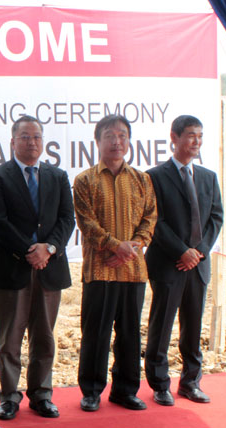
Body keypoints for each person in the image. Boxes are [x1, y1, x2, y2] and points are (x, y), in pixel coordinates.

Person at [0, 116, 75, 420]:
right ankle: (9, 396)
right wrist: (28, 250)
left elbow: (66, 220)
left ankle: (41, 395)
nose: (31, 142)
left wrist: (48, 249)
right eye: (24, 137)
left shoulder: (57, 176)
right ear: (13, 142)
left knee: (44, 336)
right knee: (10, 338)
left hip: (49, 267)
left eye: (36, 137)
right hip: (11, 268)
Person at [73, 114, 157, 412]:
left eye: (122, 135)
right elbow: (87, 223)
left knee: (130, 334)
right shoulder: (85, 180)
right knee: (96, 332)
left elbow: (149, 220)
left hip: (133, 272)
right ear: (97, 141)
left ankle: (125, 390)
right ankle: (92, 390)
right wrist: (115, 246)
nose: (116, 141)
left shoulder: (142, 180)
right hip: (99, 270)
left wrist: (128, 249)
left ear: (129, 141)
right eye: (110, 135)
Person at [144, 115, 223, 406]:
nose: (196, 142)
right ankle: (159, 383)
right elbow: (154, 221)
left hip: (198, 265)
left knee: (193, 324)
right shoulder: (154, 176)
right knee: (162, 323)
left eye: (200, 136)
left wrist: (198, 251)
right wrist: (181, 251)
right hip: (168, 263)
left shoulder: (207, 176)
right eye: (190, 135)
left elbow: (216, 217)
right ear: (174, 137)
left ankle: (191, 382)